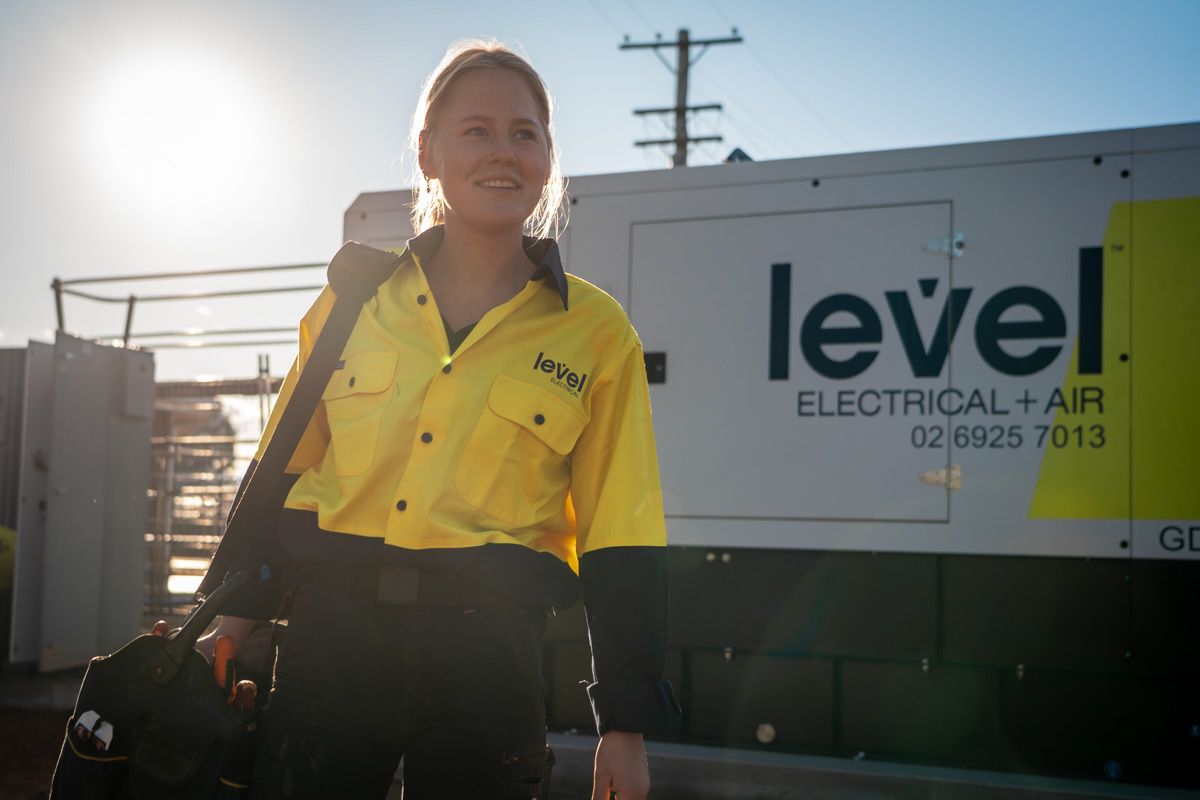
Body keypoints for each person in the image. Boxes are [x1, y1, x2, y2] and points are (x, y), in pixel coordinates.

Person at [195, 39, 680, 799]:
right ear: (428, 154)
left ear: (548, 158)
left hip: (488, 662)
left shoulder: (596, 331)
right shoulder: (350, 303)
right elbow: (281, 469)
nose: (504, 152)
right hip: (332, 647)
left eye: (525, 133)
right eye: (477, 130)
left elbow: (622, 530)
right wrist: (230, 625)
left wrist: (625, 723)